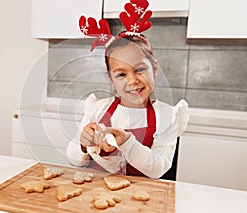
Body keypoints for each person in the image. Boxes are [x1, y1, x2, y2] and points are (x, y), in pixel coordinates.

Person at [66, 32, 189, 179]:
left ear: (154, 69)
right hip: (95, 194)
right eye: (121, 75)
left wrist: (126, 142)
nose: (132, 81)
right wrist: (84, 145)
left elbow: (158, 169)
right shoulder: (97, 109)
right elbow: (74, 160)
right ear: (111, 79)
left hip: (140, 197)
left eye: (139, 70)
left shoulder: (167, 116)